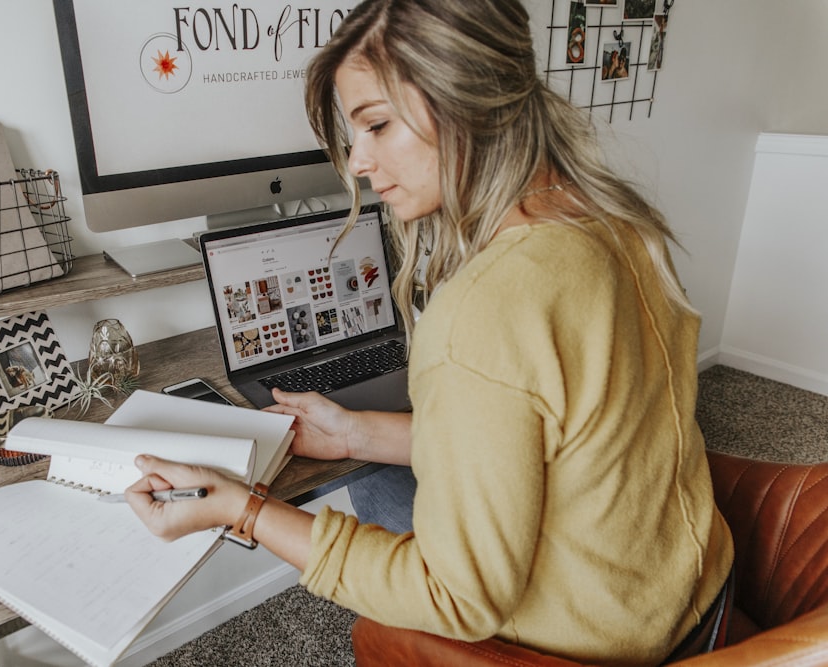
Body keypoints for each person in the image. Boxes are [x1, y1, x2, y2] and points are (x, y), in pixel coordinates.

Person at [126, 0, 734, 664]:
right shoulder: (618, 219)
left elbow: (458, 598)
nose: (358, 161)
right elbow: (552, 438)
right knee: (375, 479)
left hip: (607, 640)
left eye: (378, 125)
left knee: (371, 505)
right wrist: (358, 431)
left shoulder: (483, 309)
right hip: (693, 586)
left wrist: (243, 509)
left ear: (470, 99)